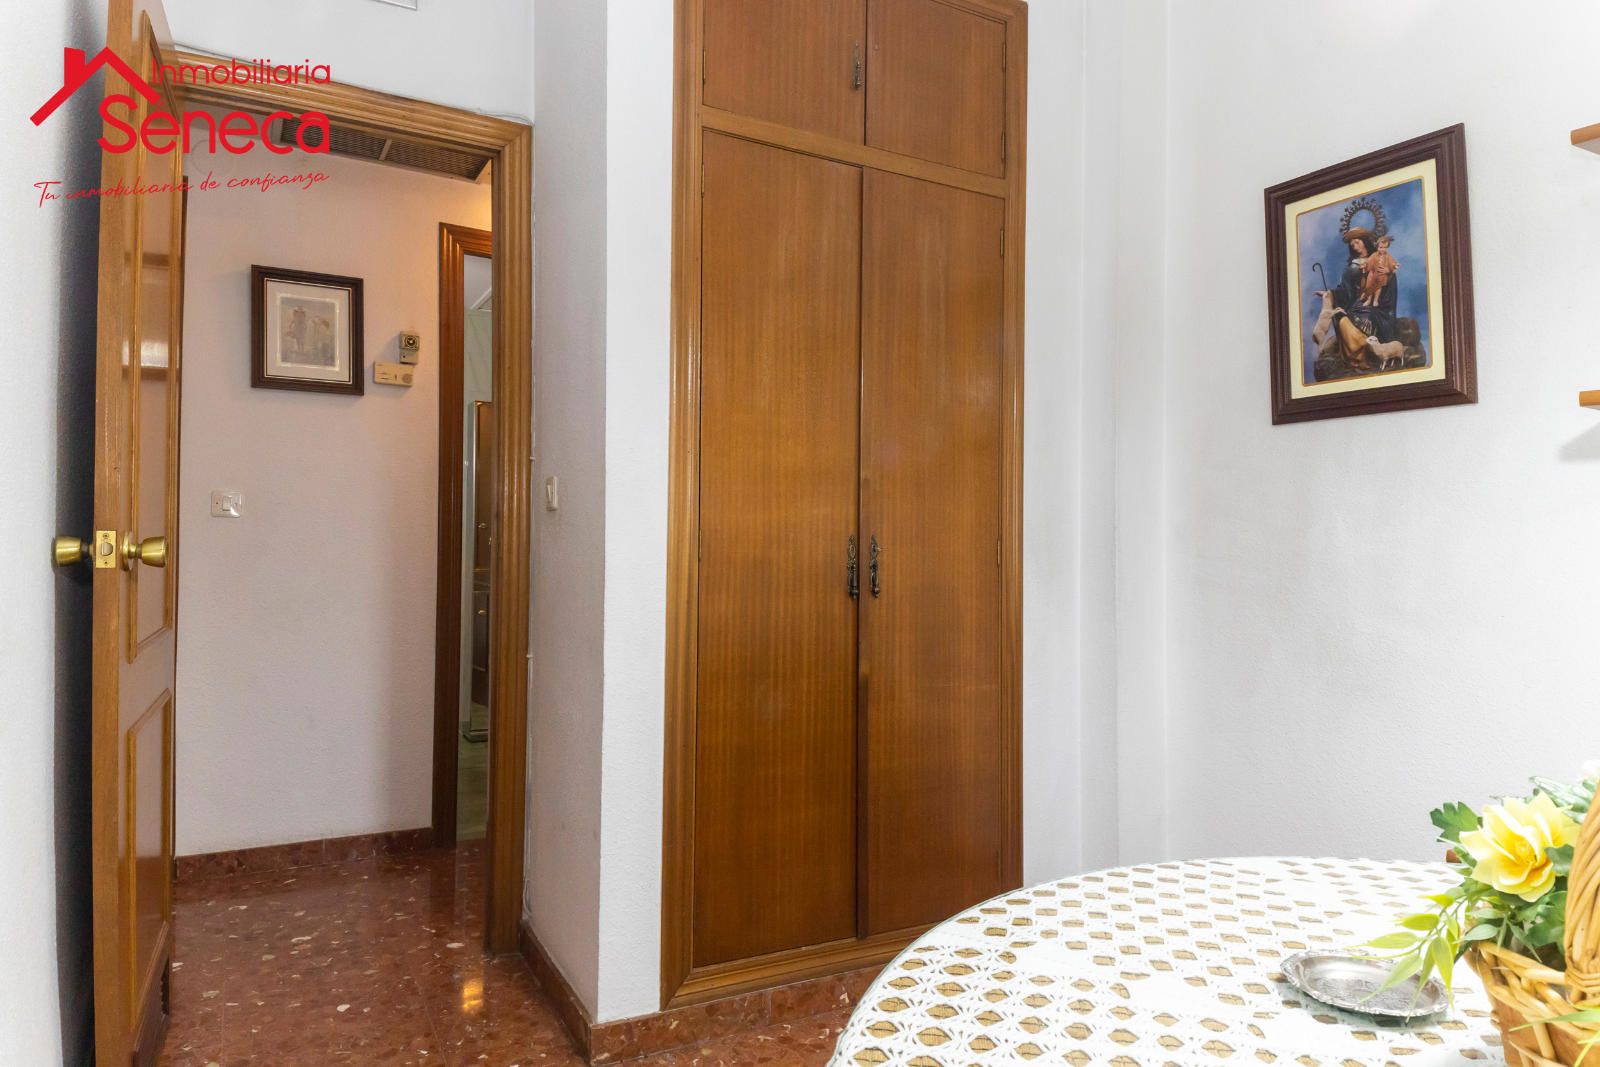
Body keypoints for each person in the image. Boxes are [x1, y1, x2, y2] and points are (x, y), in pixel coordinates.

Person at [1360, 234, 1399, 307]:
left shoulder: (1387, 256)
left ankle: (1375, 300)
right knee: (1369, 287)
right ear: (1377, 246)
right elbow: (1369, 261)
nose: (1383, 249)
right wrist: (1365, 265)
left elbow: (1392, 262)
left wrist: (1394, 266)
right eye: (1381, 247)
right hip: (1372, 274)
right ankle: (1368, 300)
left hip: (1381, 275)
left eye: (1385, 248)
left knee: (1378, 288)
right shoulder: (1374, 255)